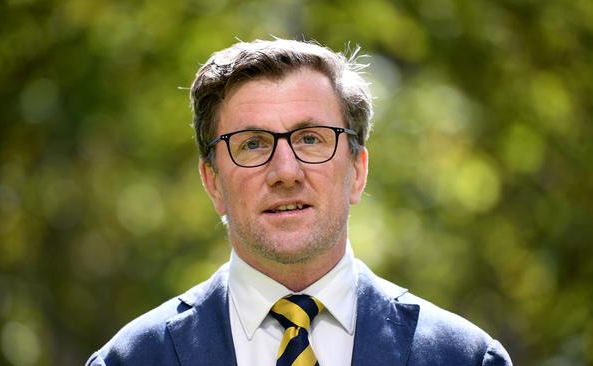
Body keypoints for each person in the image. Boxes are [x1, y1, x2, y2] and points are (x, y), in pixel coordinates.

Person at [86, 39, 513, 366]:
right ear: (213, 182)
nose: (286, 171)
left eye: (311, 139)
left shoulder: (466, 358)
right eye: (252, 144)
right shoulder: (131, 359)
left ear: (357, 172)